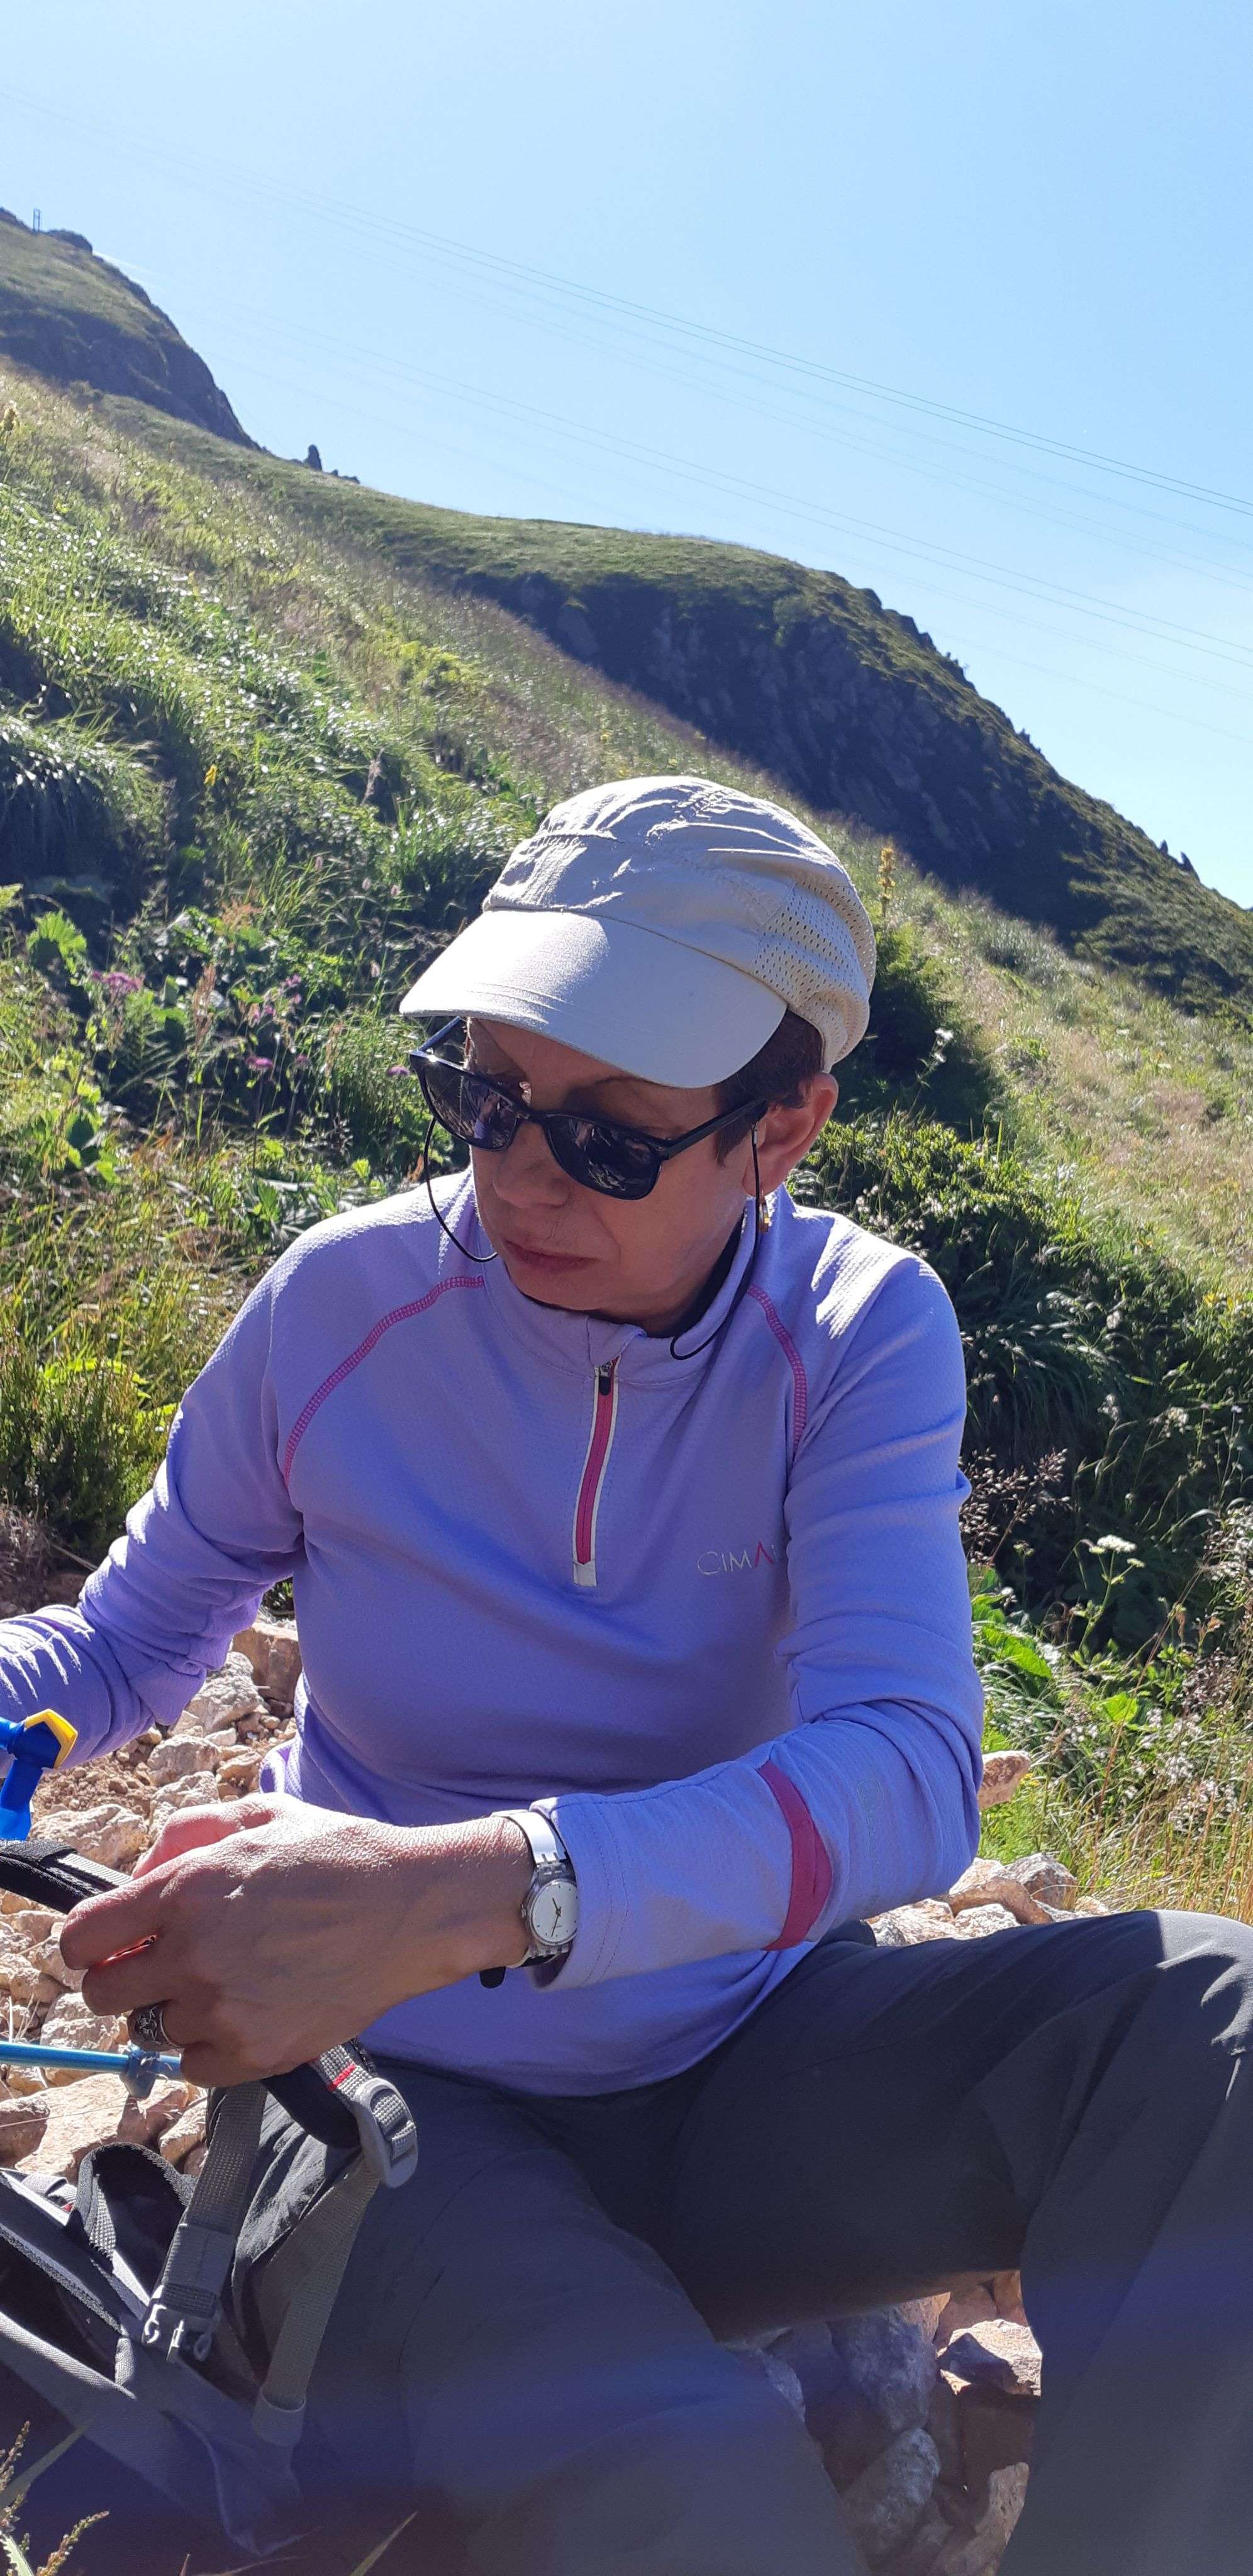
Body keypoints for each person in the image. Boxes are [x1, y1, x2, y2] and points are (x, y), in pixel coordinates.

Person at [3, 774, 1252, 2576]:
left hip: (747, 2071)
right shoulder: (343, 1308)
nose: (517, 1175)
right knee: (688, 2490)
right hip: (395, 2101)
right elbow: (129, 1637)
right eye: (486, 1097)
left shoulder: (856, 1333)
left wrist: (465, 1890)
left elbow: (909, 1766)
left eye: (606, 1139)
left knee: (1217, 2025)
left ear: (784, 1127)